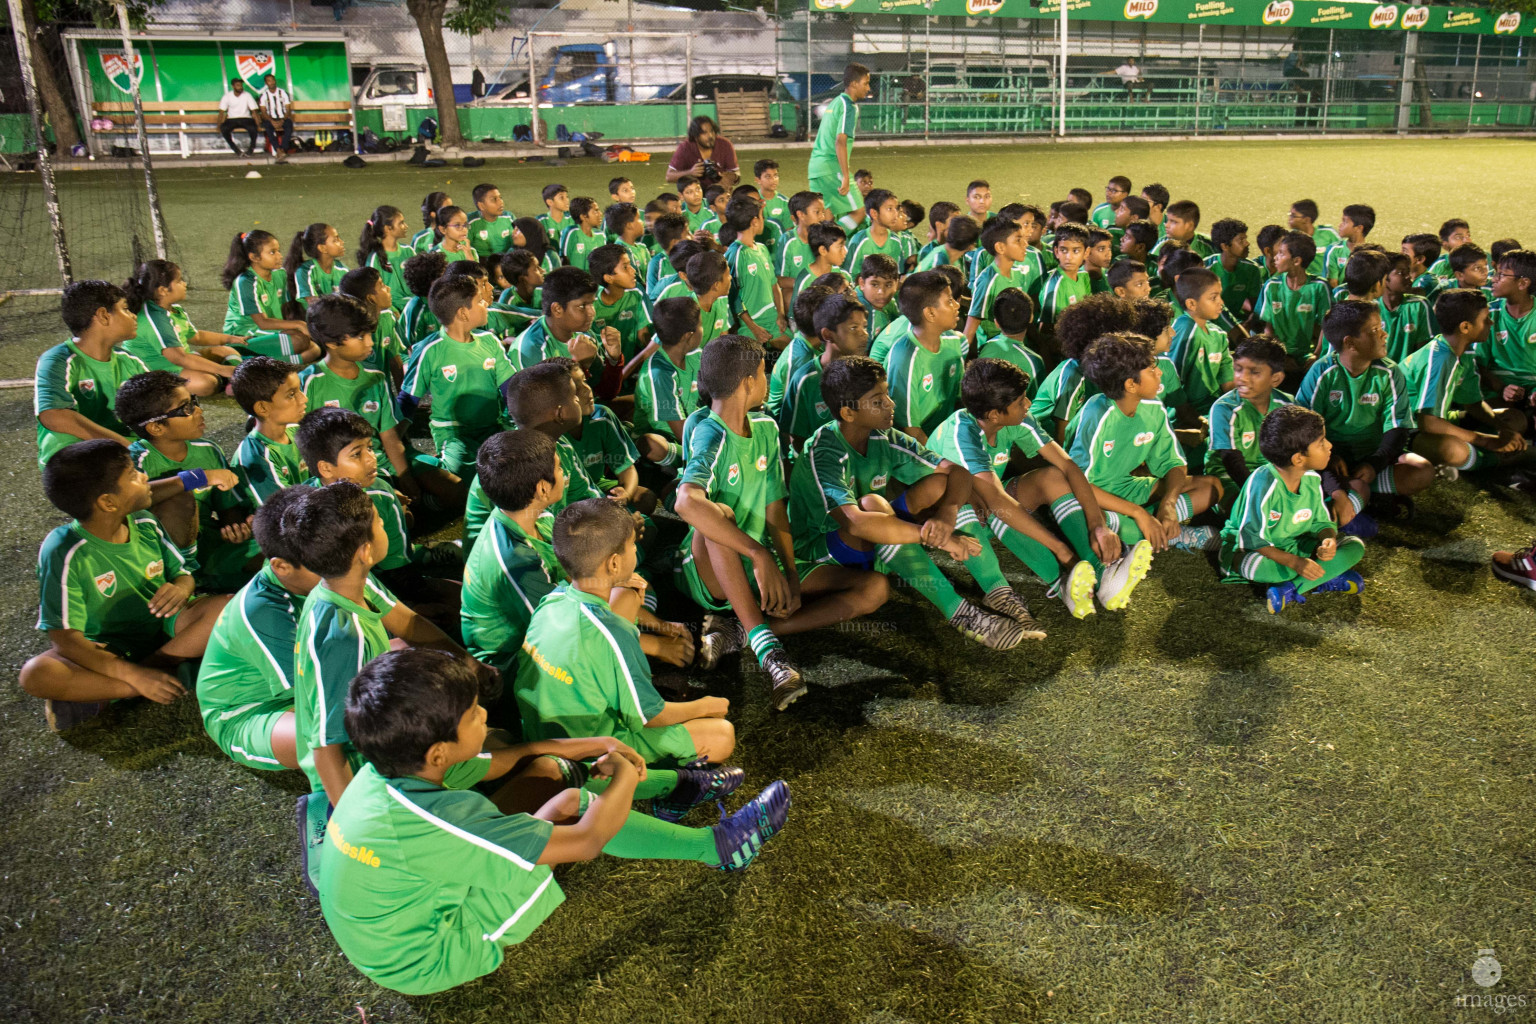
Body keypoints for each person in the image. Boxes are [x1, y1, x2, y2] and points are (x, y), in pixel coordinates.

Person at [317, 647, 790, 995]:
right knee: (568, 823)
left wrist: (583, 746)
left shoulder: (388, 767)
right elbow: (586, 842)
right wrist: (624, 773)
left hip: (384, 922)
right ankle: (719, 847)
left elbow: (504, 759)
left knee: (564, 792)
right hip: (425, 954)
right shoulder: (442, 818)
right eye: (472, 713)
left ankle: (679, 787)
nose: (484, 713)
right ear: (439, 751)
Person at [674, 335, 890, 710]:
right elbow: (686, 501)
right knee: (717, 516)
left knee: (875, 588)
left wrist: (789, 573)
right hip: (709, 569)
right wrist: (759, 556)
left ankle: (742, 630)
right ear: (747, 383)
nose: (769, 380)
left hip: (762, 564)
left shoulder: (767, 430)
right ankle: (771, 655)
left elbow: (776, 510)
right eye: (764, 373)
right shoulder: (708, 429)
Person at [787, 356, 1025, 648]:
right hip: (823, 551)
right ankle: (960, 612)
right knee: (873, 504)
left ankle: (996, 588)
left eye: (886, 394)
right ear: (849, 413)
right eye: (877, 400)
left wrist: (948, 514)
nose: (890, 403)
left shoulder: (882, 436)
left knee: (940, 486)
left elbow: (958, 473)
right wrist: (938, 539)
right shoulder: (823, 451)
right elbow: (856, 524)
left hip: (875, 538)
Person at [21, 440, 232, 732]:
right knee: (37, 674)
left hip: (168, 626)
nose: (144, 477)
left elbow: (183, 573)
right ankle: (148, 682)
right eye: (133, 475)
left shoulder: (145, 521)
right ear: (108, 502)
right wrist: (134, 677)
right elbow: (65, 639)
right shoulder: (64, 550)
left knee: (227, 609)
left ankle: (131, 680)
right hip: (109, 647)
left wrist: (182, 587)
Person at [195, 487, 315, 772]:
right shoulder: (264, 610)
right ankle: (328, 808)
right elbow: (314, 692)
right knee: (333, 734)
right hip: (249, 713)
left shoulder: (339, 566)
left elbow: (402, 623)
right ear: (281, 566)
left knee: (410, 657)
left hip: (312, 685)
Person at [117, 371, 258, 591]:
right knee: (179, 498)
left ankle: (205, 581)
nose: (199, 411)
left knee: (277, 560)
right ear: (156, 427)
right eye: (186, 408)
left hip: (209, 543)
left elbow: (227, 506)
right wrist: (198, 478)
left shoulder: (209, 450)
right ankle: (185, 579)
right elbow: (129, 501)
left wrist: (234, 525)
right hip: (159, 553)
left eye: (195, 401)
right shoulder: (135, 461)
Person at [1218, 404, 1366, 612]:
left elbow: (1322, 522)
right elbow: (1253, 539)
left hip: (1294, 546)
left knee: (1355, 546)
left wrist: (1328, 539)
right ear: (1298, 458)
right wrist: (1296, 563)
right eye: (1322, 442)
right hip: (1253, 551)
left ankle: (1290, 588)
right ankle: (1320, 576)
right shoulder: (1263, 482)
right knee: (1262, 567)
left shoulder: (1312, 480)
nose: (1330, 445)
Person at [33, 280, 148, 470]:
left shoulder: (130, 361)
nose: (133, 316)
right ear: (103, 316)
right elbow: (54, 415)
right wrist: (125, 446)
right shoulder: (57, 360)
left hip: (122, 450)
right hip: (73, 457)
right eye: (126, 309)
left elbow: (157, 405)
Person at [808, 63, 872, 233]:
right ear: (853, 84)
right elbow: (840, 141)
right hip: (831, 167)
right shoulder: (849, 106)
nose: (868, 88)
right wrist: (845, 175)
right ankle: (833, 239)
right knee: (859, 212)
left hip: (816, 168)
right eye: (865, 83)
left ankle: (824, 246)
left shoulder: (835, 102)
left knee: (826, 217)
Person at [665, 115, 740, 191]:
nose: (710, 136)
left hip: (720, 195)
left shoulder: (725, 145)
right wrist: (690, 173)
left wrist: (728, 178)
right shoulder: (685, 148)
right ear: (695, 136)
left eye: (712, 131)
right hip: (695, 195)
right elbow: (669, 177)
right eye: (704, 133)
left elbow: (736, 175)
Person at [217, 77, 261, 156]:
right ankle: (236, 150)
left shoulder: (247, 95)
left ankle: (251, 149)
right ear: (233, 86)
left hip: (246, 118)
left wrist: (258, 123)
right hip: (231, 119)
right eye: (238, 85)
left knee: (253, 129)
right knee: (224, 129)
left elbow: (254, 111)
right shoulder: (227, 96)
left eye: (241, 85)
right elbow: (221, 112)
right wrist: (219, 125)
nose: (240, 87)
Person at [255, 73, 293, 163]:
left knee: (289, 126)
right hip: (270, 119)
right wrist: (271, 121)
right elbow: (263, 112)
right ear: (266, 83)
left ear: (275, 81)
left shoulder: (283, 93)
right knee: (268, 128)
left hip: (282, 117)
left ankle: (282, 149)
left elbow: (288, 109)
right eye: (269, 81)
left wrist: (282, 120)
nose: (271, 82)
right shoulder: (264, 95)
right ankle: (278, 150)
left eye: (272, 80)